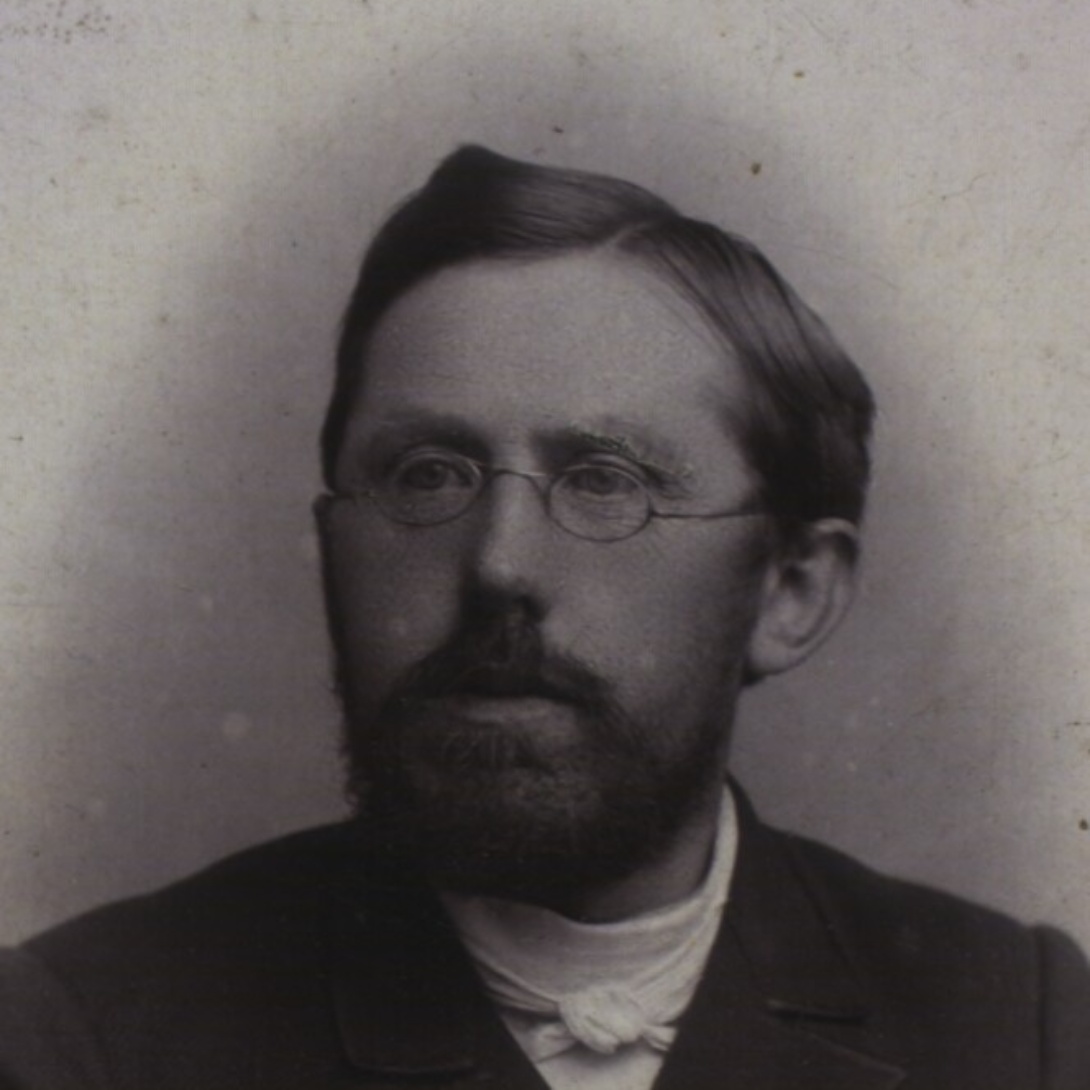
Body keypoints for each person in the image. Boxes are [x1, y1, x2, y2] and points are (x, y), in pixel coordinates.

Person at [2, 146, 1088, 1090]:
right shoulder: (79, 1037)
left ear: (791, 592)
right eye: (428, 475)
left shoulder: (1025, 1029)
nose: (499, 564)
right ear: (334, 545)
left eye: (607, 482)